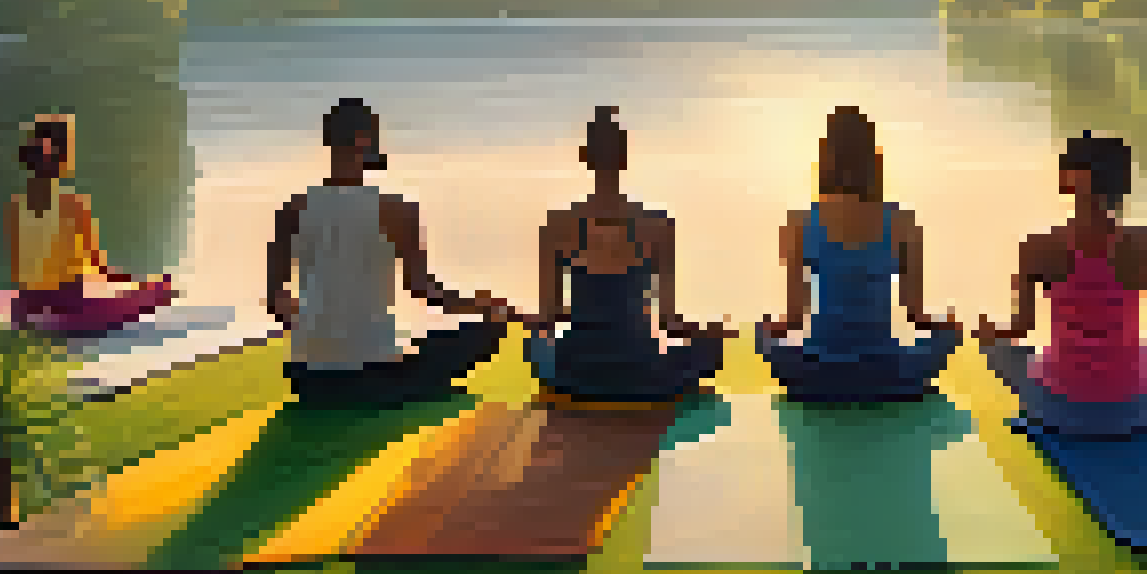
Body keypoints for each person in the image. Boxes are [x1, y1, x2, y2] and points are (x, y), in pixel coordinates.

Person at [268, 98, 520, 407]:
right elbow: (424, 290)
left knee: (411, 344)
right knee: (488, 328)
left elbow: (276, 301)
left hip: (306, 379)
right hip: (375, 379)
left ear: (327, 142)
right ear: (365, 142)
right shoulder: (397, 211)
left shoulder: (291, 210)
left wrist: (320, 325)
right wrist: (483, 304)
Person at [976, 131, 1147, 438]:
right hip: (1136, 413)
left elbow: (1021, 328)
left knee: (997, 347)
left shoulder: (1036, 246)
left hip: (1057, 412)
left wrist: (988, 331)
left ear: (1074, 179)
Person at [756, 105, 963, 402]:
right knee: (949, 336)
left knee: (760, 336)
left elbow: (793, 318)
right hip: (887, 371)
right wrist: (947, 325)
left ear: (824, 159)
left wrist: (767, 328)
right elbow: (916, 315)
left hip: (816, 372)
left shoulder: (798, 222)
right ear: (874, 160)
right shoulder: (903, 222)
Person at [523, 106, 730, 403]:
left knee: (534, 344)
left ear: (585, 157)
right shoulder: (659, 225)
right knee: (710, 348)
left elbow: (549, 316)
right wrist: (707, 331)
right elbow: (668, 320)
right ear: (625, 157)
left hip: (578, 370)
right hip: (640, 369)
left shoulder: (557, 225)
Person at [6, 114, 178, 336]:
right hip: (68, 305)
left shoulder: (16, 206)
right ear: (63, 157)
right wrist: (130, 284)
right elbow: (96, 263)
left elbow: (20, 266)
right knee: (142, 297)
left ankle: (38, 320)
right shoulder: (73, 205)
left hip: (28, 304)